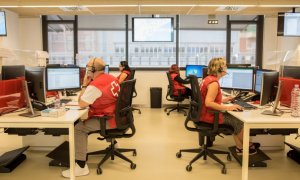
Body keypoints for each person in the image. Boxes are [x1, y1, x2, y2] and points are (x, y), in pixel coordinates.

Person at [62, 57, 120, 178]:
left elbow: (81, 103)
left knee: (78, 128)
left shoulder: (95, 85)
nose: (86, 70)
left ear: (92, 70)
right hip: (118, 116)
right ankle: (114, 143)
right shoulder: (111, 77)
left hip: (109, 120)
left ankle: (81, 166)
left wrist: (84, 85)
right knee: (82, 121)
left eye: (88, 68)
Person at [199, 57, 258, 155]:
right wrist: (228, 107)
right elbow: (208, 103)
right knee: (237, 121)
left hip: (204, 114)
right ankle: (246, 145)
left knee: (234, 119)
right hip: (209, 116)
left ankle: (240, 147)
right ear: (220, 69)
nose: (226, 68)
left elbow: (208, 99)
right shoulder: (214, 83)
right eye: (225, 66)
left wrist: (224, 100)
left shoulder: (207, 79)